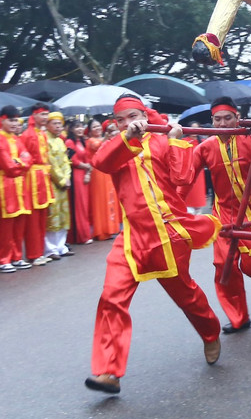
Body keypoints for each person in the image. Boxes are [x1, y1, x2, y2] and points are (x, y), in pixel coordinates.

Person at [85, 95, 224, 396]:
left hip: (169, 235)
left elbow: (183, 178)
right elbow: (100, 162)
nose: (126, 123)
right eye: (120, 119)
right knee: (111, 298)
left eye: (132, 116)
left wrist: (175, 141)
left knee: (186, 295)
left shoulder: (162, 140)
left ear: (145, 116)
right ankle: (109, 371)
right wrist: (127, 138)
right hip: (131, 238)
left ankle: (210, 332)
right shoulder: (117, 146)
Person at [192, 97, 251, 331]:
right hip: (223, 214)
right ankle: (239, 318)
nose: (223, 124)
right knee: (224, 266)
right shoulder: (205, 147)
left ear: (237, 118)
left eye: (228, 118)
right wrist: (172, 144)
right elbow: (183, 177)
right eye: (218, 119)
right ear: (212, 121)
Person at [0, 107, 31, 271]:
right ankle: (2, 258)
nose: (14, 124)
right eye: (11, 120)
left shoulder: (16, 139)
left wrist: (18, 162)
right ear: (2, 120)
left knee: (19, 222)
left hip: (20, 184)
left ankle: (16, 256)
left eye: (16, 120)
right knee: (5, 224)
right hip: (5, 184)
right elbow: (8, 166)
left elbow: (29, 159)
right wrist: (21, 163)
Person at [18, 106, 56, 267]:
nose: (45, 117)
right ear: (34, 115)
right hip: (32, 177)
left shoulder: (42, 133)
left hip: (43, 176)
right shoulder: (27, 134)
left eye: (47, 114)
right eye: (42, 114)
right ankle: (34, 254)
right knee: (33, 219)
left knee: (42, 217)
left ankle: (40, 251)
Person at [44, 112, 73, 260]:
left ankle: (61, 246)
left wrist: (67, 177)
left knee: (63, 214)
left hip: (63, 183)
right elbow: (51, 163)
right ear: (47, 125)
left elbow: (66, 161)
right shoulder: (46, 140)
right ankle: (50, 249)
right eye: (54, 123)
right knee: (52, 215)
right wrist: (61, 180)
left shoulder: (61, 141)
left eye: (59, 124)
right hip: (52, 183)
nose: (57, 126)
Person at [86, 118, 121, 241]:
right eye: (94, 127)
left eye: (98, 126)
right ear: (90, 130)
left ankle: (111, 229)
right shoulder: (90, 141)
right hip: (97, 172)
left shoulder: (105, 138)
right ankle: (101, 231)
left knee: (110, 197)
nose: (97, 128)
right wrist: (107, 137)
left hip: (107, 170)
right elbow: (98, 146)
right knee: (101, 200)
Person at [67, 118, 94, 246]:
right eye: (77, 127)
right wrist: (86, 167)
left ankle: (85, 233)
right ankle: (81, 235)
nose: (80, 129)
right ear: (72, 129)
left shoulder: (82, 141)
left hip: (84, 174)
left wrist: (88, 172)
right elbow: (72, 160)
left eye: (81, 126)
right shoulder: (69, 142)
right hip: (76, 175)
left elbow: (88, 158)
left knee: (85, 205)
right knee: (79, 205)